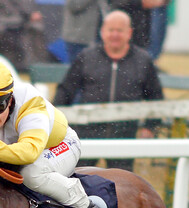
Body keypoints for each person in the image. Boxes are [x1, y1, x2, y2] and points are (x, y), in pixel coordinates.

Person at [0, 58, 109, 208]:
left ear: (10, 98)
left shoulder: (30, 102)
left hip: (57, 146)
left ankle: (88, 206)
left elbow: (30, 153)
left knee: (31, 174)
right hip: (12, 149)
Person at [53, 10, 163, 172]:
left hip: (125, 133)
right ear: (102, 32)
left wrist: (150, 126)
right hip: (87, 132)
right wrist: (58, 125)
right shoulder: (87, 57)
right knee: (80, 179)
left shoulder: (143, 60)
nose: (115, 35)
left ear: (129, 33)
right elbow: (65, 91)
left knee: (123, 183)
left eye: (120, 30)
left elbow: (155, 97)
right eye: (111, 30)